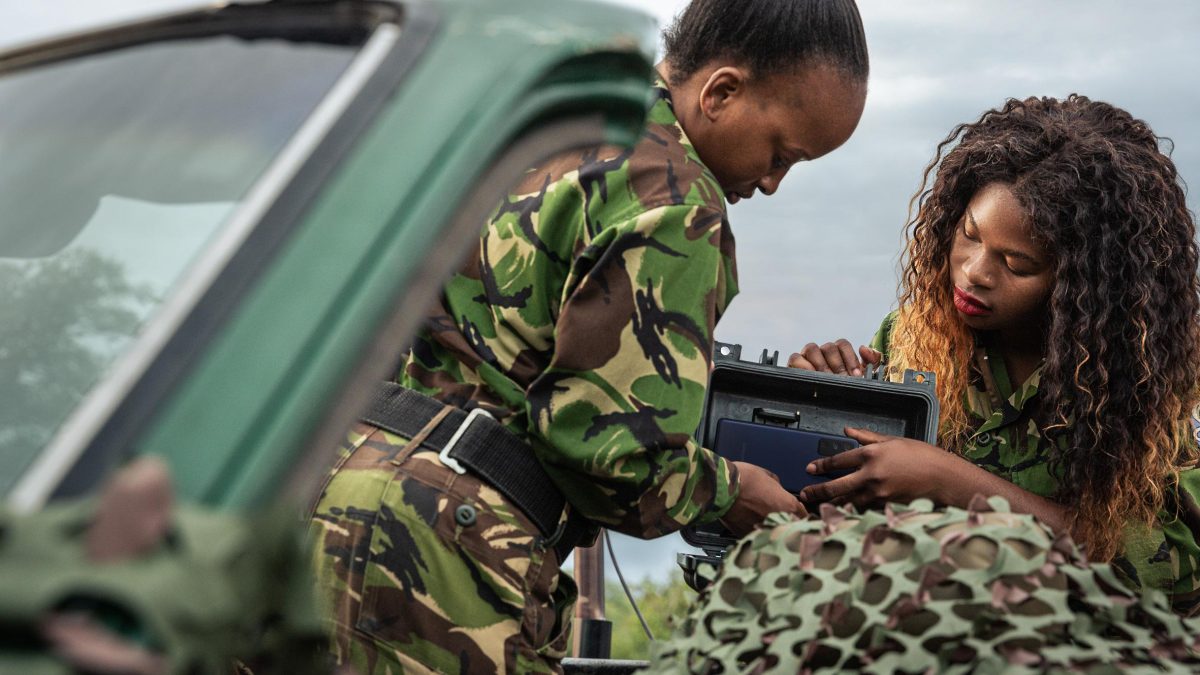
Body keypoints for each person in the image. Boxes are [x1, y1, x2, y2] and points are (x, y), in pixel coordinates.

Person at [307, 0, 870, 672]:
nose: (774, 183)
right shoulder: (677, 198)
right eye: (780, 153)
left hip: (334, 493)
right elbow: (609, 454)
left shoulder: (561, 114)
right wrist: (732, 489)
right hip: (445, 550)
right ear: (720, 92)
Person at [788, 94, 1200, 613]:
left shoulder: (1142, 375)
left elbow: (1173, 572)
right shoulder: (911, 335)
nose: (975, 272)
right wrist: (820, 408)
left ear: (1083, 285)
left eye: (1017, 263)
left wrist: (950, 482)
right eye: (969, 235)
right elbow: (855, 505)